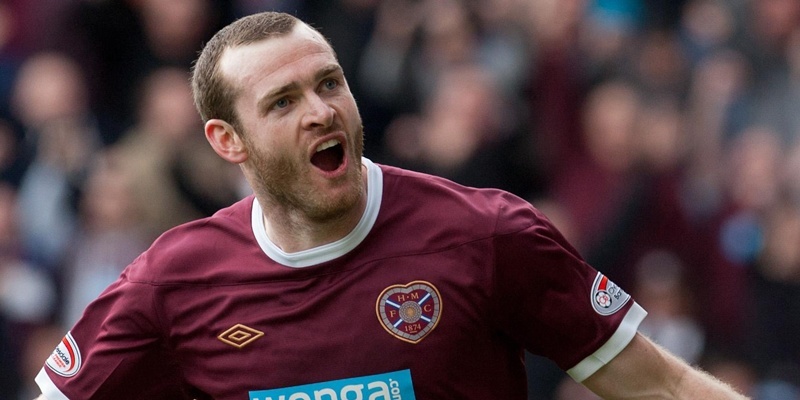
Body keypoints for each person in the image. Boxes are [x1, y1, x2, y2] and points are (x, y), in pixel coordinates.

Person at [33, 11, 748, 400]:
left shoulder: (485, 233)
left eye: (329, 84)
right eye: (282, 102)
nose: (319, 111)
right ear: (228, 141)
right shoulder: (173, 281)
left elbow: (662, 386)